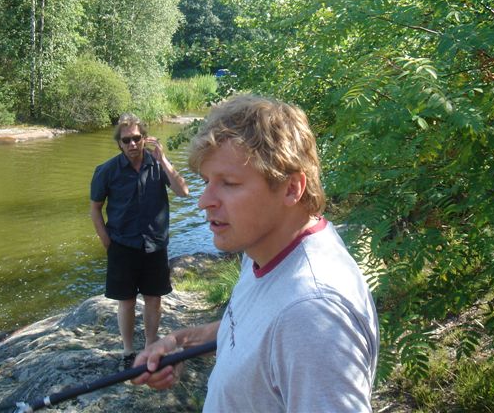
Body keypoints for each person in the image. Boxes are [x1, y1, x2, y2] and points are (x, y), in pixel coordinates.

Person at [131, 95, 379, 411]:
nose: (204, 201)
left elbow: (290, 331)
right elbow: (252, 332)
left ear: (291, 188)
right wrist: (180, 343)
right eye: (207, 181)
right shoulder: (265, 248)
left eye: (229, 183)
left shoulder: (312, 314)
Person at [90, 113, 189, 369]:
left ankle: (150, 346)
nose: (132, 144)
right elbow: (95, 209)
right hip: (122, 244)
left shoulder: (157, 164)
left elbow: (183, 191)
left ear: (145, 138)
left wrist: (163, 159)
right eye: (126, 140)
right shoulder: (107, 171)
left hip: (154, 243)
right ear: (119, 143)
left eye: (136, 138)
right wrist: (107, 242)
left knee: (154, 298)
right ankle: (128, 351)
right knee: (126, 300)